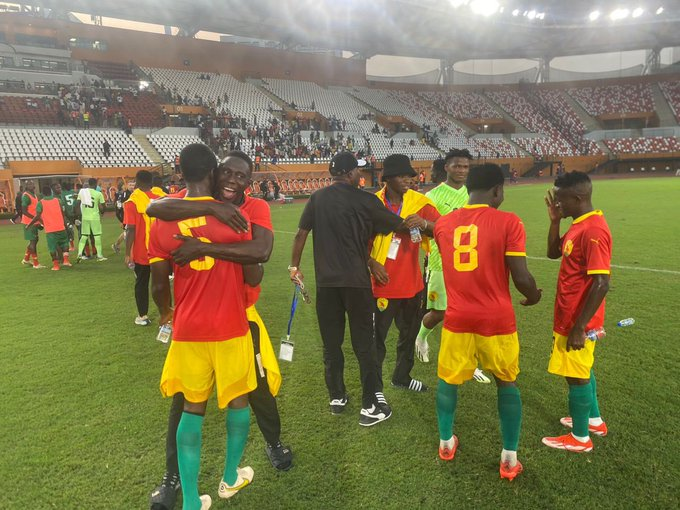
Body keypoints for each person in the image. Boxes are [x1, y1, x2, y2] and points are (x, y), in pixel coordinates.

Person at [146, 150, 291, 509]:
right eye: (227, 173)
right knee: (241, 396)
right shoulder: (236, 221)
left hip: (188, 327)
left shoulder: (167, 221)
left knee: (191, 406)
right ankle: (228, 475)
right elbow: (256, 266)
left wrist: (166, 312)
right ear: (213, 172)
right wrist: (216, 217)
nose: (233, 180)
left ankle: (192, 499)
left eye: (241, 176)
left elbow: (158, 277)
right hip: (231, 323)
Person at [289, 152, 424, 426]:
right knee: (365, 345)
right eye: (358, 171)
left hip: (327, 284)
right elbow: (398, 224)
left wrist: (294, 267)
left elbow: (301, 233)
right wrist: (417, 223)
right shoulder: (365, 200)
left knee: (331, 344)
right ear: (350, 173)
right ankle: (370, 405)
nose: (361, 175)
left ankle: (337, 397)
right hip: (357, 284)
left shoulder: (317, 198)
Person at [434, 163, 541, 481]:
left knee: (448, 380)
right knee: (506, 382)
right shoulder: (509, 221)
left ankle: (445, 442)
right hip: (497, 319)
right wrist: (534, 295)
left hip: (457, 317)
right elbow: (521, 277)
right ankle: (509, 458)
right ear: (497, 190)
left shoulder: (443, 224)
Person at [542, 171, 612, 453]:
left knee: (576, 375)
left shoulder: (593, 230)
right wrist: (555, 221)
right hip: (569, 315)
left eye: (562, 200)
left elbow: (602, 283)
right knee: (582, 369)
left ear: (579, 197)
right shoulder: (578, 224)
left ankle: (580, 438)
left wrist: (580, 326)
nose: (558, 204)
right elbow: (552, 253)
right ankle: (593, 420)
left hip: (578, 319)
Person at [415, 149, 490, 384]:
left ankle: (470, 361)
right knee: (440, 312)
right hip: (440, 262)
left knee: (471, 312)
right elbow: (422, 228)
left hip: (470, 263)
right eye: (457, 166)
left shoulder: (475, 194)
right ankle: (421, 338)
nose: (462, 171)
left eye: (466, 167)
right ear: (446, 167)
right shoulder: (432, 195)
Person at [368, 154, 439, 393]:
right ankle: (374, 387)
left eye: (410, 176)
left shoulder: (420, 203)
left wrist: (424, 224)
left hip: (412, 285)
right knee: (376, 339)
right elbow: (356, 240)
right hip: (381, 284)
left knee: (408, 335)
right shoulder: (372, 203)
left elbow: (441, 229)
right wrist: (371, 263)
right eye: (402, 176)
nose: (409, 180)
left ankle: (402, 377)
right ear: (387, 179)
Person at [124, 170, 165, 326]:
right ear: (151, 182)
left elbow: (130, 229)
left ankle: (143, 316)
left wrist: (127, 253)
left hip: (142, 251)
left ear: (137, 182)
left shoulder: (132, 201)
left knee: (141, 283)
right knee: (161, 283)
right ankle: (166, 315)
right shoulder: (161, 198)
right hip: (161, 249)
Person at [26, 185, 71, 271]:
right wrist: (66, 226)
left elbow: (37, 216)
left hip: (50, 230)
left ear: (43, 193)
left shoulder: (41, 203)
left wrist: (29, 224)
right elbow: (63, 214)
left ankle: (56, 266)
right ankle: (66, 261)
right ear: (51, 192)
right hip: (61, 227)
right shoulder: (58, 200)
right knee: (65, 243)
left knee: (52, 247)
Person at [75, 178, 107, 262]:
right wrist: (101, 210)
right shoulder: (98, 193)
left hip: (85, 217)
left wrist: (79, 215)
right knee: (97, 236)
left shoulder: (82, 192)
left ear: (88, 184)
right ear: (96, 185)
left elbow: (77, 205)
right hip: (94, 218)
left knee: (84, 236)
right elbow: (103, 207)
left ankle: (79, 253)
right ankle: (99, 256)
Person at [20, 180, 45, 269]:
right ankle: (36, 263)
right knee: (33, 241)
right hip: (29, 222)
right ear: (26, 186)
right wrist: (35, 218)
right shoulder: (26, 196)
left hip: (34, 222)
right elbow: (24, 211)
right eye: (28, 184)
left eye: (32, 183)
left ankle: (26, 259)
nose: (31, 185)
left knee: (34, 240)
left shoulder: (34, 195)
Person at [112, 180, 134, 254]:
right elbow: (118, 207)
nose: (132, 187)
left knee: (127, 232)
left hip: (133, 217)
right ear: (127, 185)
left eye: (133, 185)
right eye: (130, 185)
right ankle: (129, 250)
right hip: (126, 217)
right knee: (127, 233)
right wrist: (121, 220)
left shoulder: (135, 193)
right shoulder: (124, 194)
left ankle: (116, 245)